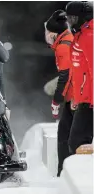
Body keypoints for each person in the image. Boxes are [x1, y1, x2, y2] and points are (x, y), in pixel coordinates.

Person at [44, 10, 75, 176]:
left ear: (54, 33)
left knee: (66, 135)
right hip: (76, 96)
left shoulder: (64, 46)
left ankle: (64, 172)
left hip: (77, 98)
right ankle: (63, 171)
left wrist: (56, 100)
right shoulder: (67, 41)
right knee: (66, 133)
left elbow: (66, 76)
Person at [63, 1, 93, 155]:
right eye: (69, 18)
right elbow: (79, 72)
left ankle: (84, 177)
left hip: (90, 101)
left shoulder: (89, 36)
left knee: (77, 142)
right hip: (85, 99)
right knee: (77, 142)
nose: (70, 22)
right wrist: (76, 96)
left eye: (73, 18)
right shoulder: (81, 34)